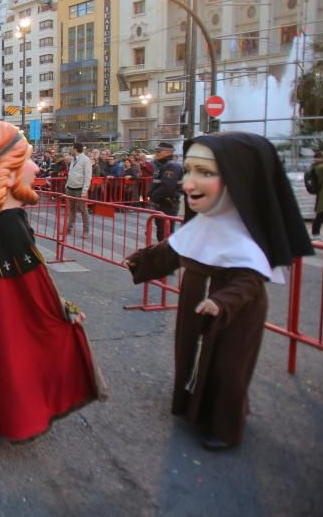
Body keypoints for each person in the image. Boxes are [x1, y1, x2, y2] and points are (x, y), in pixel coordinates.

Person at [124, 133, 313, 450]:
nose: (188, 183)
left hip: (234, 309)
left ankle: (225, 426)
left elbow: (249, 281)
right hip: (197, 297)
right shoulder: (207, 222)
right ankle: (191, 406)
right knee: (191, 354)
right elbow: (174, 250)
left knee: (229, 367)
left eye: (205, 172)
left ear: (238, 178)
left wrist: (221, 302)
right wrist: (140, 261)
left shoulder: (246, 236)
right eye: (189, 170)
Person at [0, 122, 105, 448]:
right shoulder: (8, 223)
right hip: (1, 305)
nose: (34, 166)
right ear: (5, 170)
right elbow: (34, 291)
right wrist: (61, 313)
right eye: (25, 159)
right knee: (9, 353)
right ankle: (11, 414)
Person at [149, 141, 183, 241]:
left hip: (168, 204)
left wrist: (153, 196)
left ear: (168, 153)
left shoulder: (171, 166)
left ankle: (167, 256)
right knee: (161, 232)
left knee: (165, 234)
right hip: (162, 203)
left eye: (159, 151)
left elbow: (167, 187)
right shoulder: (162, 166)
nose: (156, 153)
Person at [64, 142, 92, 236]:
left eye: (72, 148)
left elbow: (88, 176)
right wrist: (67, 185)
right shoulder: (74, 159)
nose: (71, 150)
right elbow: (71, 173)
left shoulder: (86, 160)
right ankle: (69, 229)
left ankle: (86, 231)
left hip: (79, 189)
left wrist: (84, 190)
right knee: (71, 209)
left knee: (84, 210)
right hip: (70, 188)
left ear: (75, 149)